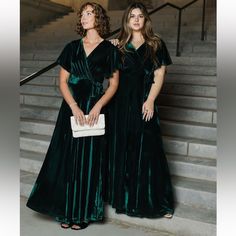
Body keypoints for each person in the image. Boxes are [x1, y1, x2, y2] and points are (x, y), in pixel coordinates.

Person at [26, 2, 119, 230]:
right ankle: (66, 210)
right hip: (71, 108)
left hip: (94, 107)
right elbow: (62, 81)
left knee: (88, 160)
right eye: (83, 13)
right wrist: (74, 106)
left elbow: (114, 84)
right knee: (67, 158)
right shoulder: (71, 47)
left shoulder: (110, 50)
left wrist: (97, 107)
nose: (84, 16)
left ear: (99, 18)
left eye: (90, 13)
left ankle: (83, 212)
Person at [106, 2, 174, 219]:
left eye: (140, 16)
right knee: (123, 148)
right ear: (126, 20)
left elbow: (160, 74)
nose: (136, 19)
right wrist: (107, 46)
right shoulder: (120, 45)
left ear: (146, 19)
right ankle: (124, 200)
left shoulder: (156, 44)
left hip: (144, 102)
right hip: (120, 105)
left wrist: (151, 100)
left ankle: (158, 202)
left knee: (148, 149)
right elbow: (102, 69)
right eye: (132, 16)